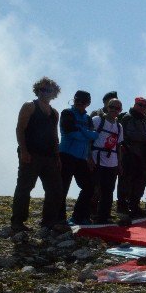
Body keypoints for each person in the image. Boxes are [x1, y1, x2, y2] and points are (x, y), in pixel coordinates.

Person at [11, 77, 65, 233]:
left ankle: (49, 222)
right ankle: (17, 222)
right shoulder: (30, 106)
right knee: (25, 187)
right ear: (37, 90)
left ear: (54, 92)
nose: (45, 92)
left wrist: (57, 156)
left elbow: (55, 135)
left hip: (49, 156)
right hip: (31, 154)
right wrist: (24, 150)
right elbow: (20, 128)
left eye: (48, 90)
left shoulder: (54, 113)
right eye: (42, 89)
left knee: (55, 189)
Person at [58, 90, 98, 225]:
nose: (80, 104)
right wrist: (86, 134)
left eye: (83, 102)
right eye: (77, 101)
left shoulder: (87, 118)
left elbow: (94, 136)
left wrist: (82, 131)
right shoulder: (67, 113)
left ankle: (78, 216)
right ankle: (59, 219)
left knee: (89, 186)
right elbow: (70, 133)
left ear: (88, 103)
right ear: (74, 100)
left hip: (81, 158)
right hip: (66, 155)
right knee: (62, 187)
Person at [119, 97, 146, 218]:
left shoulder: (143, 120)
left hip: (142, 155)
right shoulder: (128, 117)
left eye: (145, 106)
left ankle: (134, 206)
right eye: (140, 105)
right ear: (135, 104)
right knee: (126, 180)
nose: (142, 108)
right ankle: (122, 206)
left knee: (140, 181)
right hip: (129, 153)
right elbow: (129, 134)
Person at [90, 98, 123, 223]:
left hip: (112, 162)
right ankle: (89, 213)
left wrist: (119, 163)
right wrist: (88, 157)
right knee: (93, 188)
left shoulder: (119, 126)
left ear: (120, 110)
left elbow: (118, 146)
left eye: (117, 108)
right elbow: (88, 140)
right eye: (112, 107)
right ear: (107, 107)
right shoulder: (97, 120)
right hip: (96, 159)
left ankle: (103, 216)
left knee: (108, 191)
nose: (114, 110)